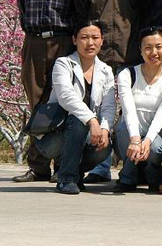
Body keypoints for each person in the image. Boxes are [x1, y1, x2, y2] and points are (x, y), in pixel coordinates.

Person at [74, 0, 145, 184]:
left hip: (130, 52)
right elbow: (80, 15)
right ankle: (100, 166)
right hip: (99, 56)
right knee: (98, 108)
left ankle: (132, 166)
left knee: (131, 110)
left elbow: (146, 12)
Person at [14, 0, 80, 183]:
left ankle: (62, 164)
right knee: (37, 104)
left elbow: (77, 9)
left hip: (63, 41)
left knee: (64, 100)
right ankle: (38, 166)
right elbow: (22, 8)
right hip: (33, 43)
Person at [34, 21, 116, 194]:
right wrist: (92, 120)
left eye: (95, 37)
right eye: (84, 37)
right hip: (54, 137)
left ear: (102, 40)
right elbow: (66, 97)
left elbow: (109, 105)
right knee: (78, 121)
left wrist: (104, 129)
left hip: (85, 137)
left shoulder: (106, 70)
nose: (90, 43)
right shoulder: (63, 64)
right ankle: (66, 179)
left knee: (106, 147)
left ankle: (74, 172)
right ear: (74, 40)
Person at [114, 27, 162, 193]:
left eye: (158, 47)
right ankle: (128, 178)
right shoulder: (127, 74)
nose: (153, 52)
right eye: (148, 47)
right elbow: (128, 110)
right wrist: (135, 139)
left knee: (155, 147)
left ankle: (150, 173)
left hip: (157, 134)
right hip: (130, 132)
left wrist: (147, 140)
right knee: (123, 130)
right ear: (140, 50)